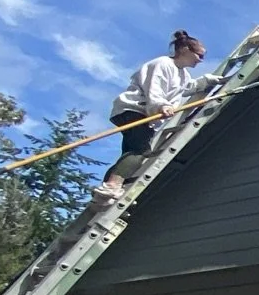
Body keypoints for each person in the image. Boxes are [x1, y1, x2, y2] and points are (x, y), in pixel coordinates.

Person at [94, 30, 223, 200]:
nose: (201, 60)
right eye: (199, 55)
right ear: (185, 50)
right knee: (140, 151)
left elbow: (188, 87)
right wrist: (162, 105)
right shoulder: (162, 64)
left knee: (129, 154)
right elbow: (153, 89)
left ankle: (105, 192)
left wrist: (208, 80)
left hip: (145, 114)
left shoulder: (183, 74)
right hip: (135, 109)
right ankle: (112, 185)